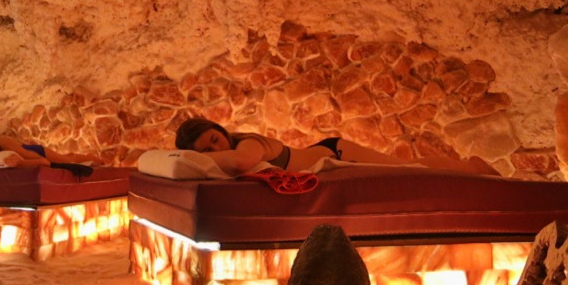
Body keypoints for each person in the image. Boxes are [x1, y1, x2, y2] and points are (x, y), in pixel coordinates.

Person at [173, 117, 497, 176]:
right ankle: (471, 167)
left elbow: (243, 163)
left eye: (215, 138)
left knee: (409, 168)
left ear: (221, 131)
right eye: (207, 150)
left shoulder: (248, 144)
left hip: (335, 153)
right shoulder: (224, 158)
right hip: (323, 157)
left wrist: (205, 158)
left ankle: (473, 167)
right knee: (409, 167)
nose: (216, 149)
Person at [0, 130, 95, 169]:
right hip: (29, 156)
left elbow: (42, 161)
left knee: (70, 162)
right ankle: (88, 157)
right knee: (68, 157)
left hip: (36, 152)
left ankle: (97, 159)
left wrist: (21, 163)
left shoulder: (1, 141)